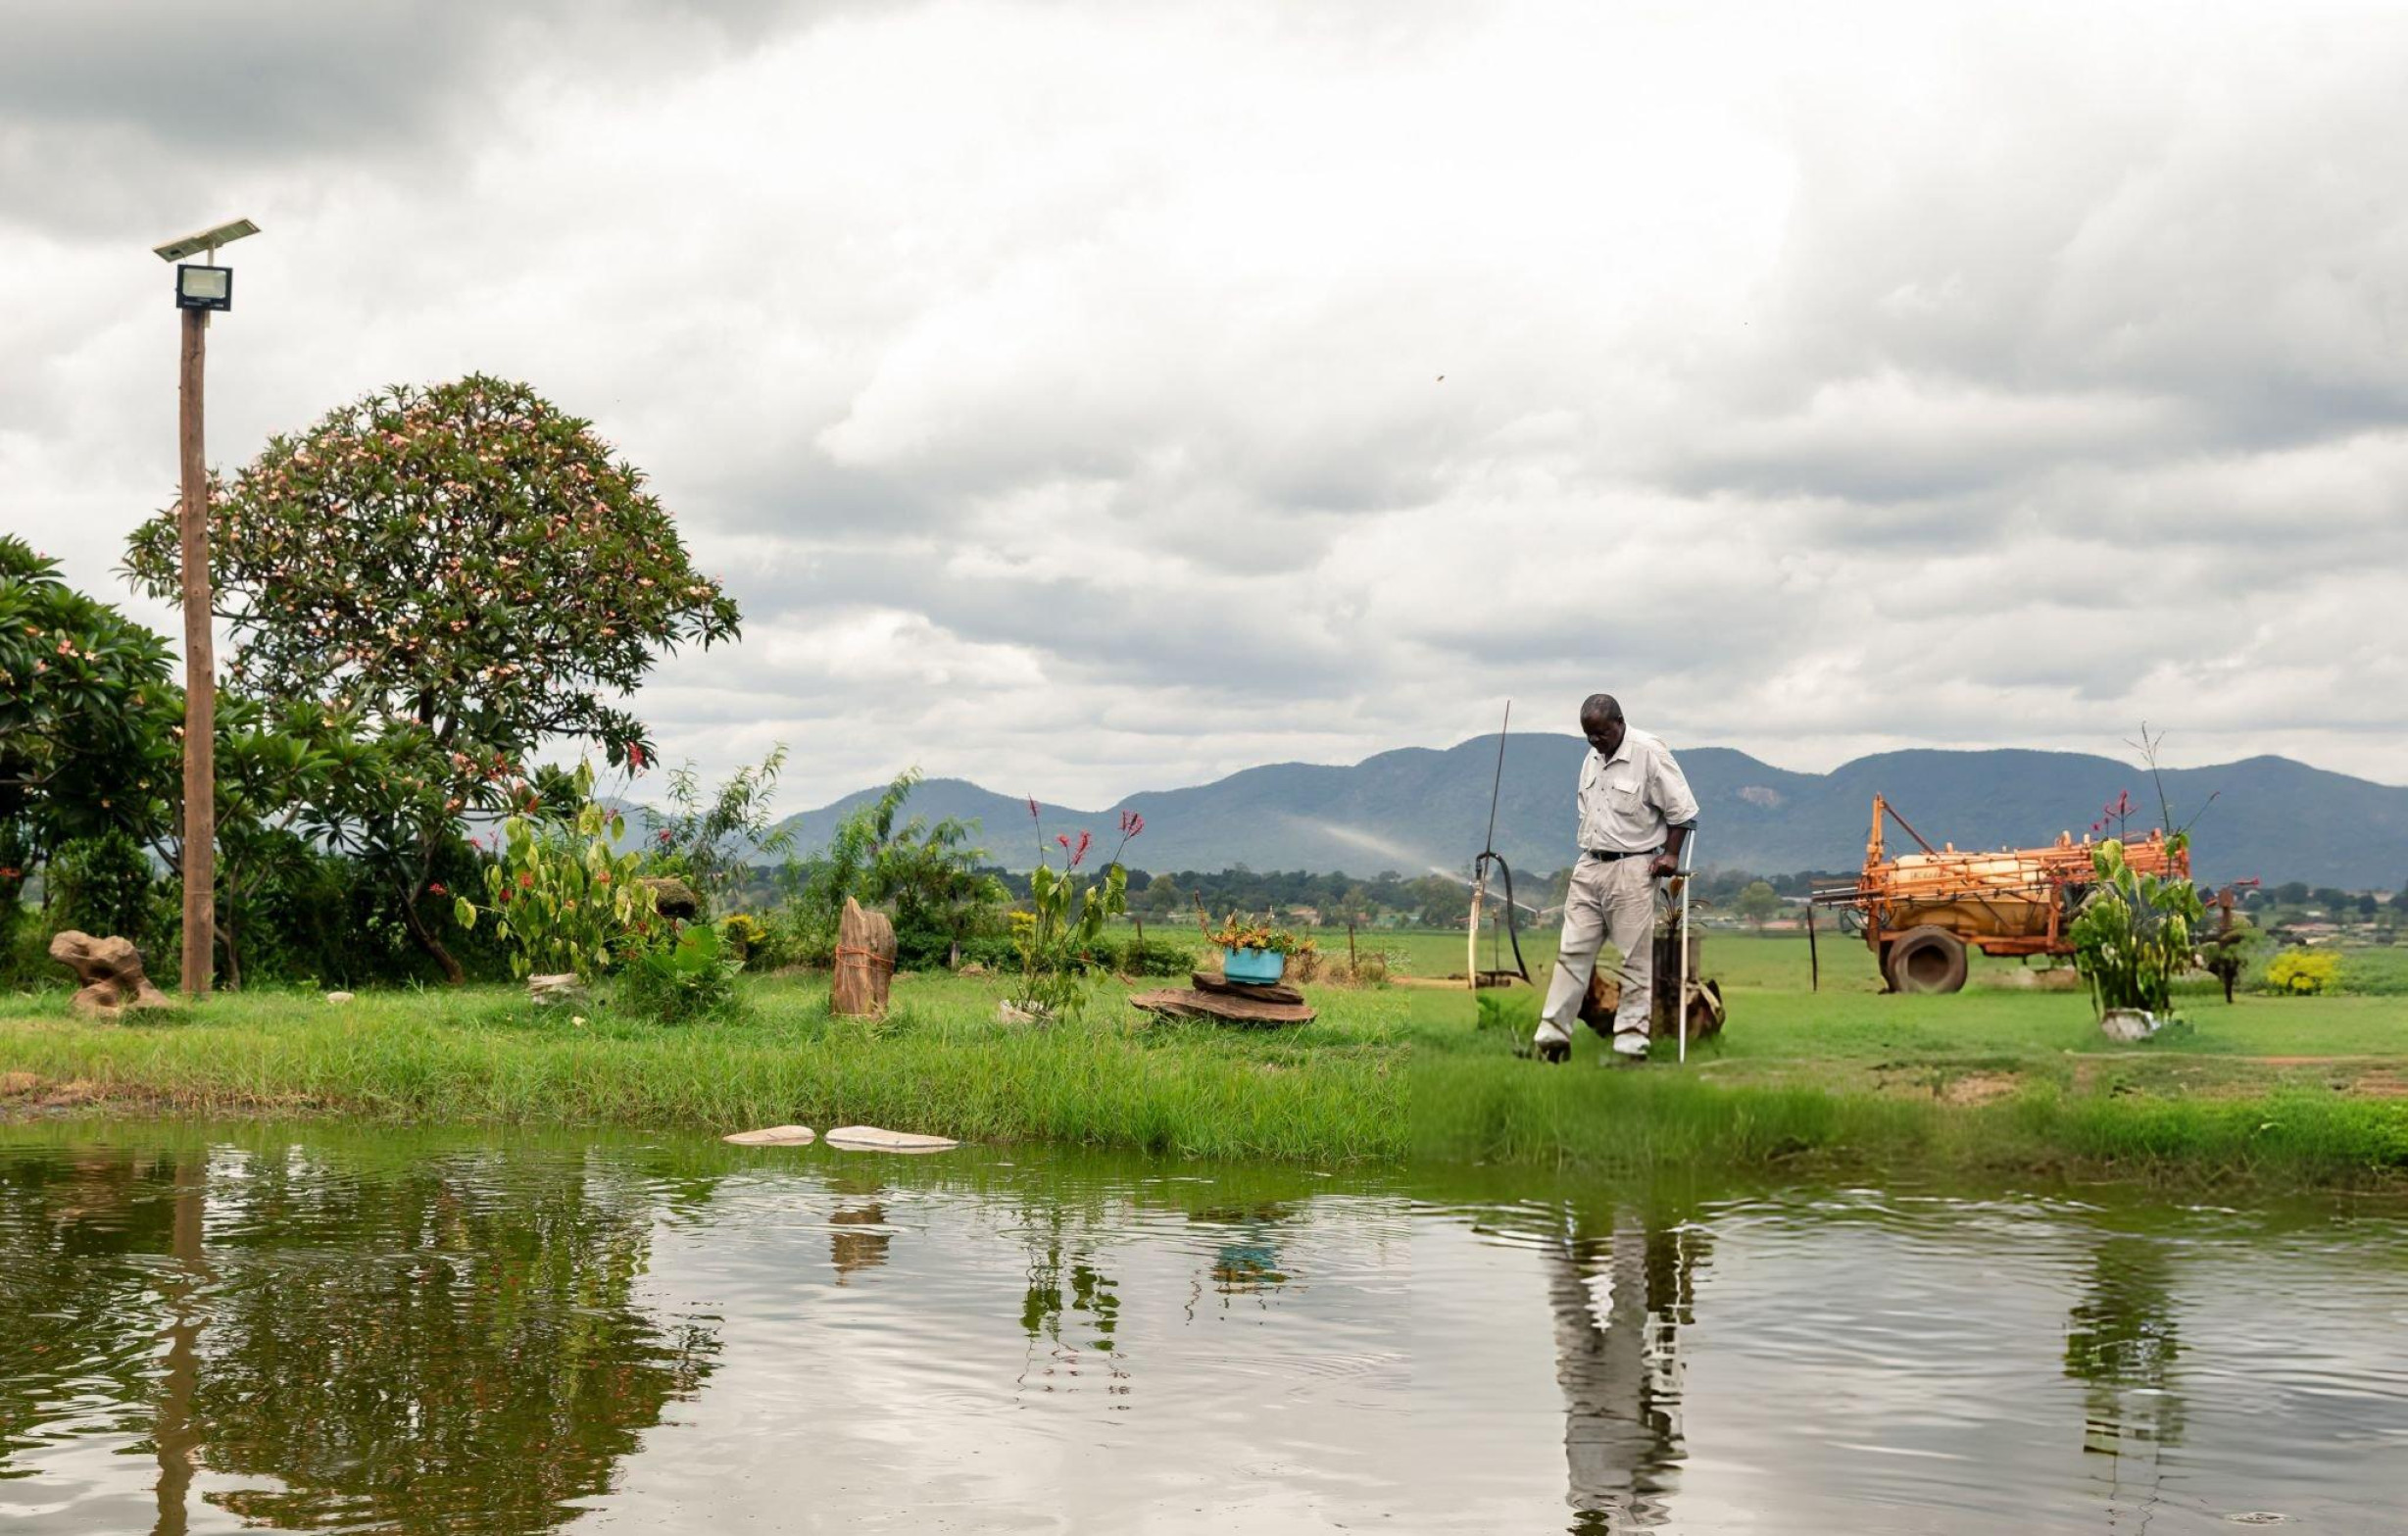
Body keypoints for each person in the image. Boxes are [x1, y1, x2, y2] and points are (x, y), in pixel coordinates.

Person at [1534, 694, 1698, 1064]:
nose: (1596, 742)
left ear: (1619, 723)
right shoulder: (1592, 758)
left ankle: (1630, 1044)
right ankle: (1552, 1038)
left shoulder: (1648, 752)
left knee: (1634, 957)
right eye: (1589, 736)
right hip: (1591, 864)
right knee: (1572, 951)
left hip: (1633, 866)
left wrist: (1670, 855)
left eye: (1601, 734)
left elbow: (1683, 811)